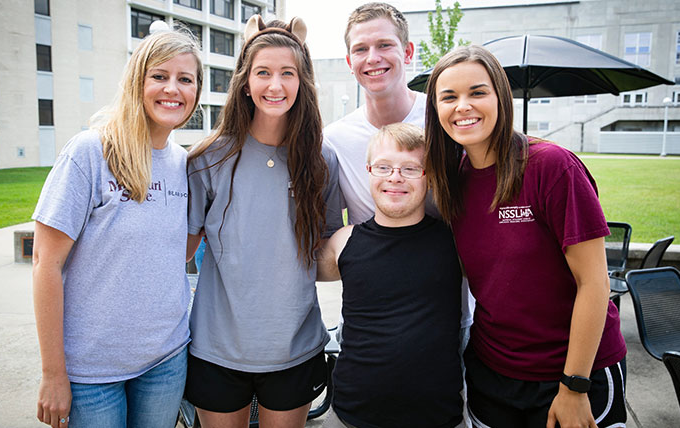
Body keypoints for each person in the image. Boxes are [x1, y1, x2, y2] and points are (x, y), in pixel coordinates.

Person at [425, 45, 627, 428]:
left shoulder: (551, 166)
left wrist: (574, 386)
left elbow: (595, 283)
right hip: (493, 373)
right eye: (448, 97)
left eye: (477, 92)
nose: (462, 106)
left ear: (501, 96)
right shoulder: (453, 180)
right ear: (435, 110)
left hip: (572, 372)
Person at [31, 26, 202, 428]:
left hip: (165, 361)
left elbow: (176, 252)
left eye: (185, 79)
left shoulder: (185, 165)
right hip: (91, 372)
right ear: (136, 81)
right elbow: (45, 263)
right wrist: (53, 373)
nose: (172, 89)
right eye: (159, 76)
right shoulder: (91, 152)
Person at [185, 15, 342, 428]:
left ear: (302, 81)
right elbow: (178, 252)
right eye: (263, 73)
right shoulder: (209, 159)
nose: (275, 85)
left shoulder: (321, 161)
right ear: (245, 80)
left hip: (294, 348)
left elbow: (325, 250)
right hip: (217, 348)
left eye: (287, 73)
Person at [323, 1, 475, 353]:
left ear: (407, 52)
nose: (372, 57)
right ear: (350, 62)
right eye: (360, 49)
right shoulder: (334, 140)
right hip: (369, 321)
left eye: (384, 45)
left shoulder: (446, 120)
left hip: (447, 319)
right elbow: (328, 233)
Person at [318, 123, 465, 428]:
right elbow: (286, 269)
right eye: (384, 167)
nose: (395, 177)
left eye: (411, 168)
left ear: (429, 176)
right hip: (351, 414)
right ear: (369, 171)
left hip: (437, 416)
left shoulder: (455, 242)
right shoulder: (343, 243)